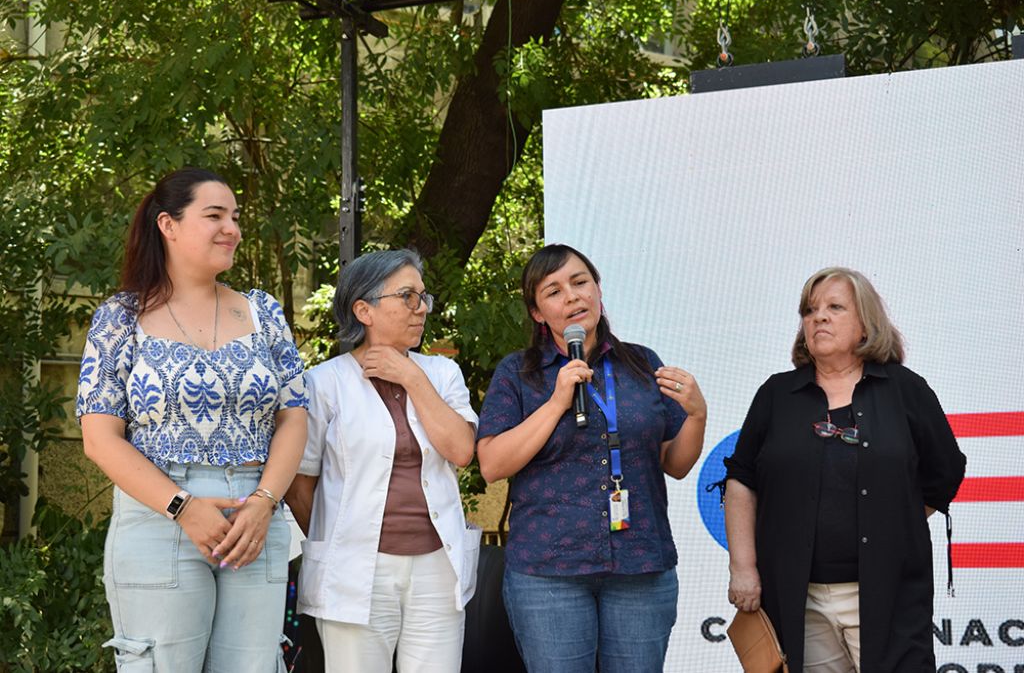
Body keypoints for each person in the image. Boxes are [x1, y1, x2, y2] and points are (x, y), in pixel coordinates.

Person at [76, 167, 309, 672]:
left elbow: (294, 418)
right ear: (169, 225)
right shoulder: (121, 317)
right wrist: (182, 506)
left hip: (255, 520)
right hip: (158, 519)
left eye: (236, 217)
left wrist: (265, 502)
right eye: (215, 215)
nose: (232, 229)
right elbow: (99, 438)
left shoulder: (264, 313)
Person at [475, 243, 707, 673]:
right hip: (548, 572)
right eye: (554, 291)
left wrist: (697, 415)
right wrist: (556, 402)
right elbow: (492, 464)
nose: (572, 296)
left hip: (640, 565)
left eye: (580, 282)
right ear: (538, 313)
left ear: (598, 289)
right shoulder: (518, 373)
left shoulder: (641, 363)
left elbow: (675, 464)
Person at [723, 266, 966, 672]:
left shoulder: (906, 389)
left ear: (866, 324)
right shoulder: (776, 394)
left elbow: (945, 473)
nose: (818, 317)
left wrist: (892, 520)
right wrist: (743, 569)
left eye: (835, 307)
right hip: (799, 599)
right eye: (810, 310)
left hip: (888, 595)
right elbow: (741, 481)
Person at [287, 249, 481, 673]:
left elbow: (462, 450)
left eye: (424, 297)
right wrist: (337, 539)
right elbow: (300, 484)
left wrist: (411, 376)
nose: (421, 308)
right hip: (356, 570)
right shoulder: (324, 383)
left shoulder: (441, 374)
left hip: (436, 567)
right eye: (408, 296)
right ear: (364, 310)